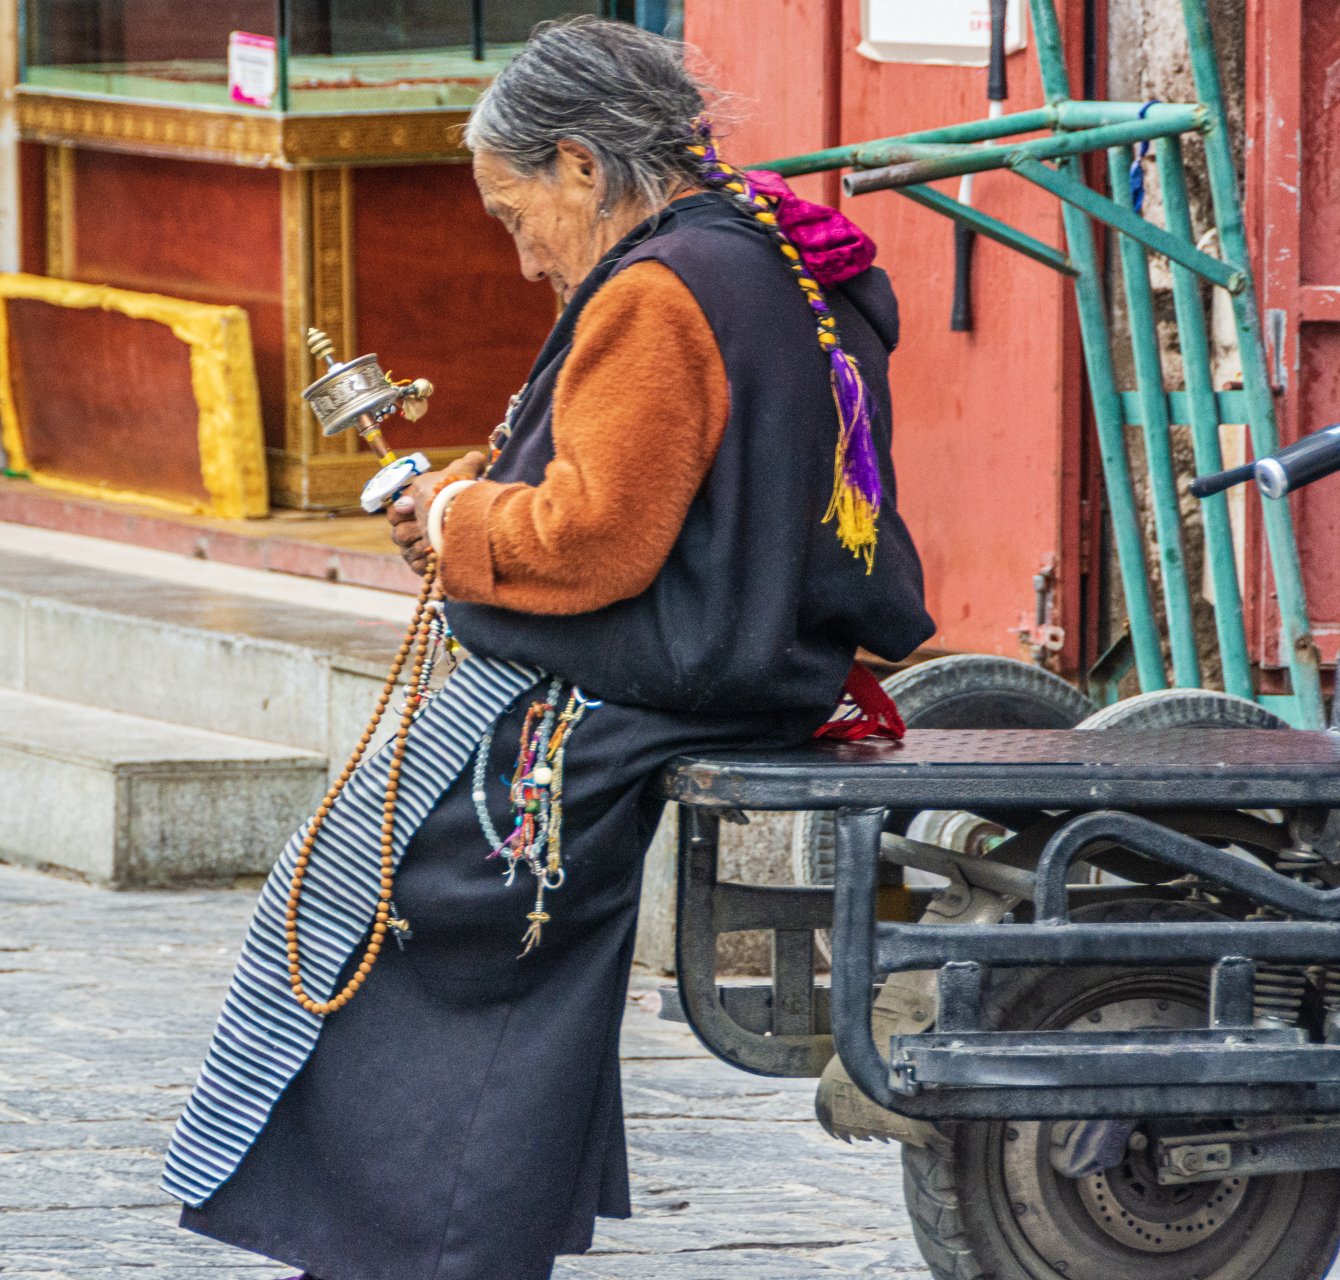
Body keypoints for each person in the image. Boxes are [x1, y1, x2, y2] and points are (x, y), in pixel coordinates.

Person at [162, 17, 933, 1280]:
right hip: (739, 656)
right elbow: (650, 471)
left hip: (663, 673)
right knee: (386, 869)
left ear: (581, 164)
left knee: (401, 888)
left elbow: (594, 538)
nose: (523, 257)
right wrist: (472, 494)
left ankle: (422, 1241)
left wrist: (455, 520)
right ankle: (442, 1229)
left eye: (516, 215)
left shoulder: (658, 291)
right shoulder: (758, 251)